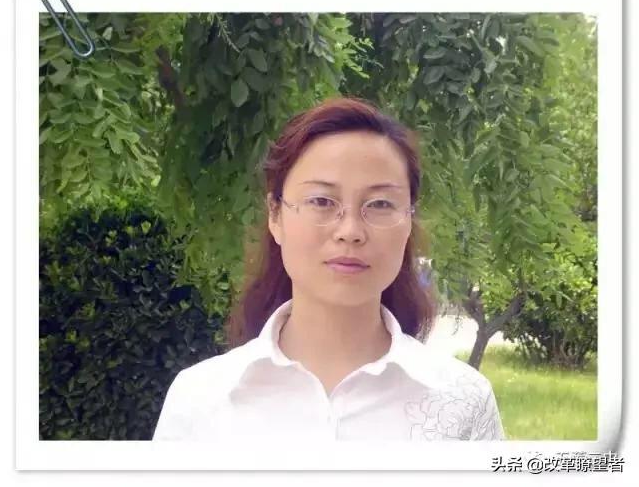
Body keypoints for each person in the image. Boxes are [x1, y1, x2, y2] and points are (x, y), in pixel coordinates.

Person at [153, 97, 505, 442]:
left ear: (409, 220)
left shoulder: (463, 402)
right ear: (275, 215)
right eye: (321, 201)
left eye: (380, 204)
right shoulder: (200, 400)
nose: (350, 231)